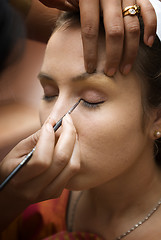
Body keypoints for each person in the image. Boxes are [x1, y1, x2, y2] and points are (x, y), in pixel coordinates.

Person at [1, 6, 161, 240]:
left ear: (157, 117)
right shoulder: (25, 208)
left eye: (91, 100)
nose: (52, 121)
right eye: (49, 93)